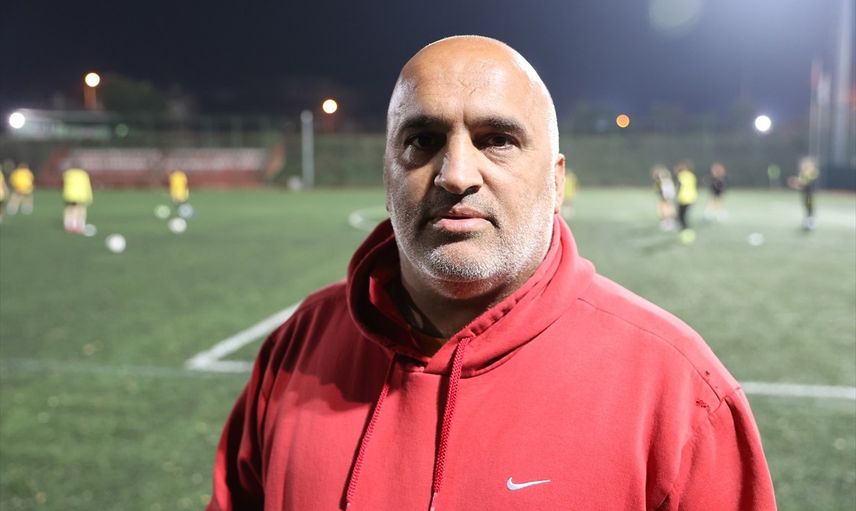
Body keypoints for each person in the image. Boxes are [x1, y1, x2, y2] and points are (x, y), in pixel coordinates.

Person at [208, 36, 775, 510]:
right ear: (387, 174)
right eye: (423, 140)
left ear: (556, 181)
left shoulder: (680, 392)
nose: (456, 174)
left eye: (497, 140)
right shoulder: (298, 346)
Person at [788, 156, 819, 230]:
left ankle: (811, 223)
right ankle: (807, 222)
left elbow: (805, 182)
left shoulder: (812, 171)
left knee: (810, 207)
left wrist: (796, 181)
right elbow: (801, 185)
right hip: (805, 194)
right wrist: (795, 185)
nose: (804, 164)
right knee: (806, 207)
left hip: (810, 194)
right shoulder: (803, 173)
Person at [62, 167, 93, 234]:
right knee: (81, 209)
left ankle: (68, 224)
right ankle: (79, 225)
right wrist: (89, 197)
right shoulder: (83, 174)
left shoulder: (68, 173)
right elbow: (87, 185)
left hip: (69, 194)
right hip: (81, 194)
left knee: (69, 209)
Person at [674, 160, 698, 242]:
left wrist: (676, 194)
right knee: (684, 216)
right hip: (692, 198)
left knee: (681, 216)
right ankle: (686, 231)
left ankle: (685, 232)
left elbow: (679, 186)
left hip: (683, 198)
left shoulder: (682, 175)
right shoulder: (692, 175)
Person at [651, 163, 676, 231]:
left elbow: (667, 190)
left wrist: (665, 197)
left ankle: (669, 224)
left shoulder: (664, 181)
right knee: (662, 210)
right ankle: (667, 223)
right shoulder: (659, 181)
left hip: (666, 197)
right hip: (664, 197)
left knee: (666, 210)